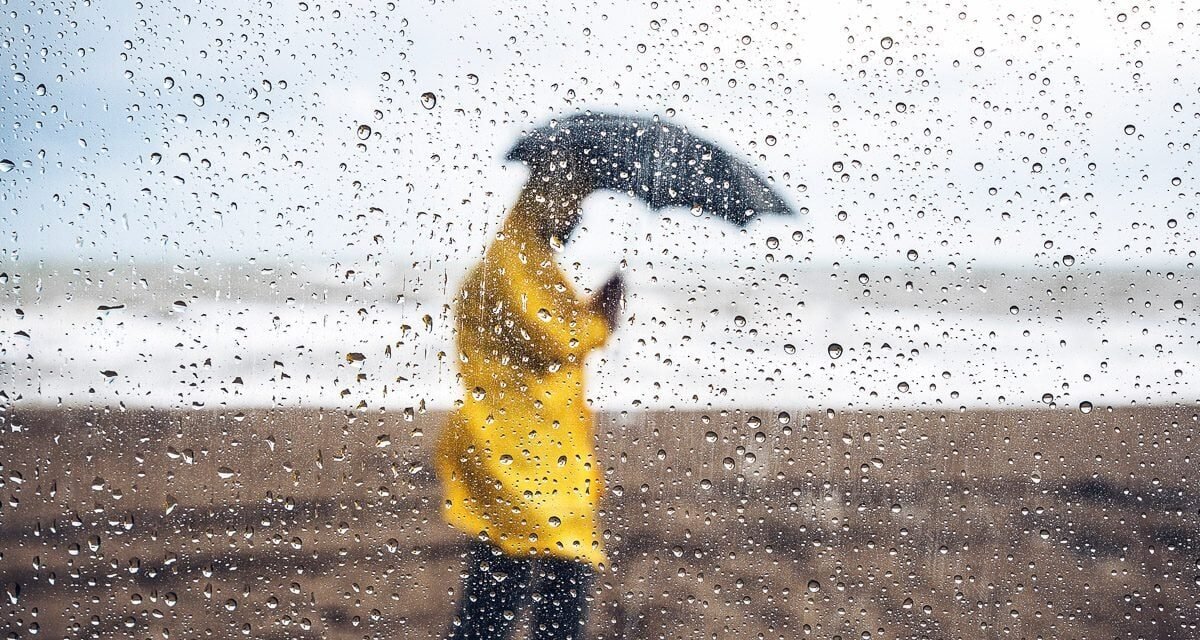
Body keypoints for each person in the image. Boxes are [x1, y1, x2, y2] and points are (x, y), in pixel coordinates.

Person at [434, 158, 623, 640]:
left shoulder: (528, 262)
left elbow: (544, 332)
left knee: (515, 581)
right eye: (570, 201)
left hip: (536, 447)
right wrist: (601, 318)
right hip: (514, 450)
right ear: (546, 200)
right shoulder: (512, 263)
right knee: (541, 577)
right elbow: (552, 337)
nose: (575, 214)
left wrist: (592, 311)